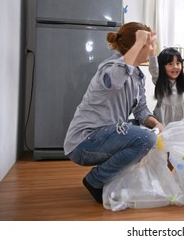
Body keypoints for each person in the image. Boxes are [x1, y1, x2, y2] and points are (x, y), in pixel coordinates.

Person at [64, 22, 164, 204]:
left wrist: (155, 123)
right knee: (145, 139)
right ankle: (95, 180)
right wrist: (138, 43)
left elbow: (140, 110)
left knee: (142, 130)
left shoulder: (137, 76)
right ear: (138, 45)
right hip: (83, 143)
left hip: (104, 137)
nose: (152, 49)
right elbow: (115, 81)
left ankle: (108, 178)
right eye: (148, 44)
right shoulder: (111, 67)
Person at [148, 42, 184, 125]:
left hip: (180, 114)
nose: (175, 66)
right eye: (170, 64)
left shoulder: (183, 79)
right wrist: (152, 49)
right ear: (161, 66)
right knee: (163, 135)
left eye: (178, 63)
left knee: (179, 134)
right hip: (163, 114)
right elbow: (153, 67)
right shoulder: (159, 79)